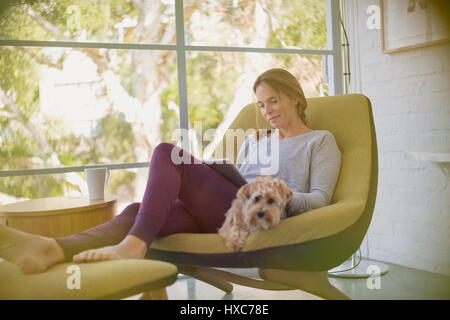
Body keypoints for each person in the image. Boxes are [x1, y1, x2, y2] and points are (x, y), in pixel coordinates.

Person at [0, 68, 341, 274]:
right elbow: (237, 180)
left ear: (295, 97)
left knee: (167, 152)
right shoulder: (254, 139)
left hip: (265, 217)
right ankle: (53, 249)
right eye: (261, 104)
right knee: (137, 211)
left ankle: (133, 246)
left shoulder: (320, 141)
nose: (267, 111)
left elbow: (323, 200)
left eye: (274, 101)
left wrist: (282, 194)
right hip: (231, 207)